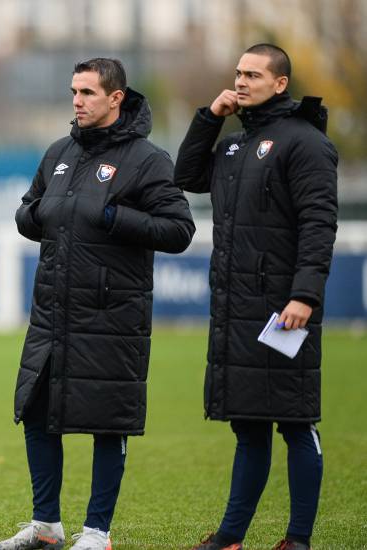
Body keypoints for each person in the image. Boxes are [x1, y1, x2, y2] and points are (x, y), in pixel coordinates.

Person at [0, 58, 195, 550]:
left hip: (111, 318)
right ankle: (46, 527)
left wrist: (115, 216)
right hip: (52, 313)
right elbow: (30, 208)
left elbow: (179, 229)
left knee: (109, 422)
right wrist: (32, 213)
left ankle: (97, 532)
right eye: (73, 92)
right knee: (37, 412)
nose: (77, 101)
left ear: (115, 98)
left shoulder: (147, 159)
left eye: (86, 92)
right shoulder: (59, 151)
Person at [174, 44, 338, 550]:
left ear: (280, 83)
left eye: (253, 75)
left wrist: (304, 295)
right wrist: (209, 118)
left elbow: (318, 223)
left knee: (295, 422)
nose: (241, 82)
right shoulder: (234, 145)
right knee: (248, 428)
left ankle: (298, 539)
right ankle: (230, 536)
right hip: (237, 308)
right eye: (238, 73)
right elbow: (186, 176)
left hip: (285, 308)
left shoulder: (305, 142)